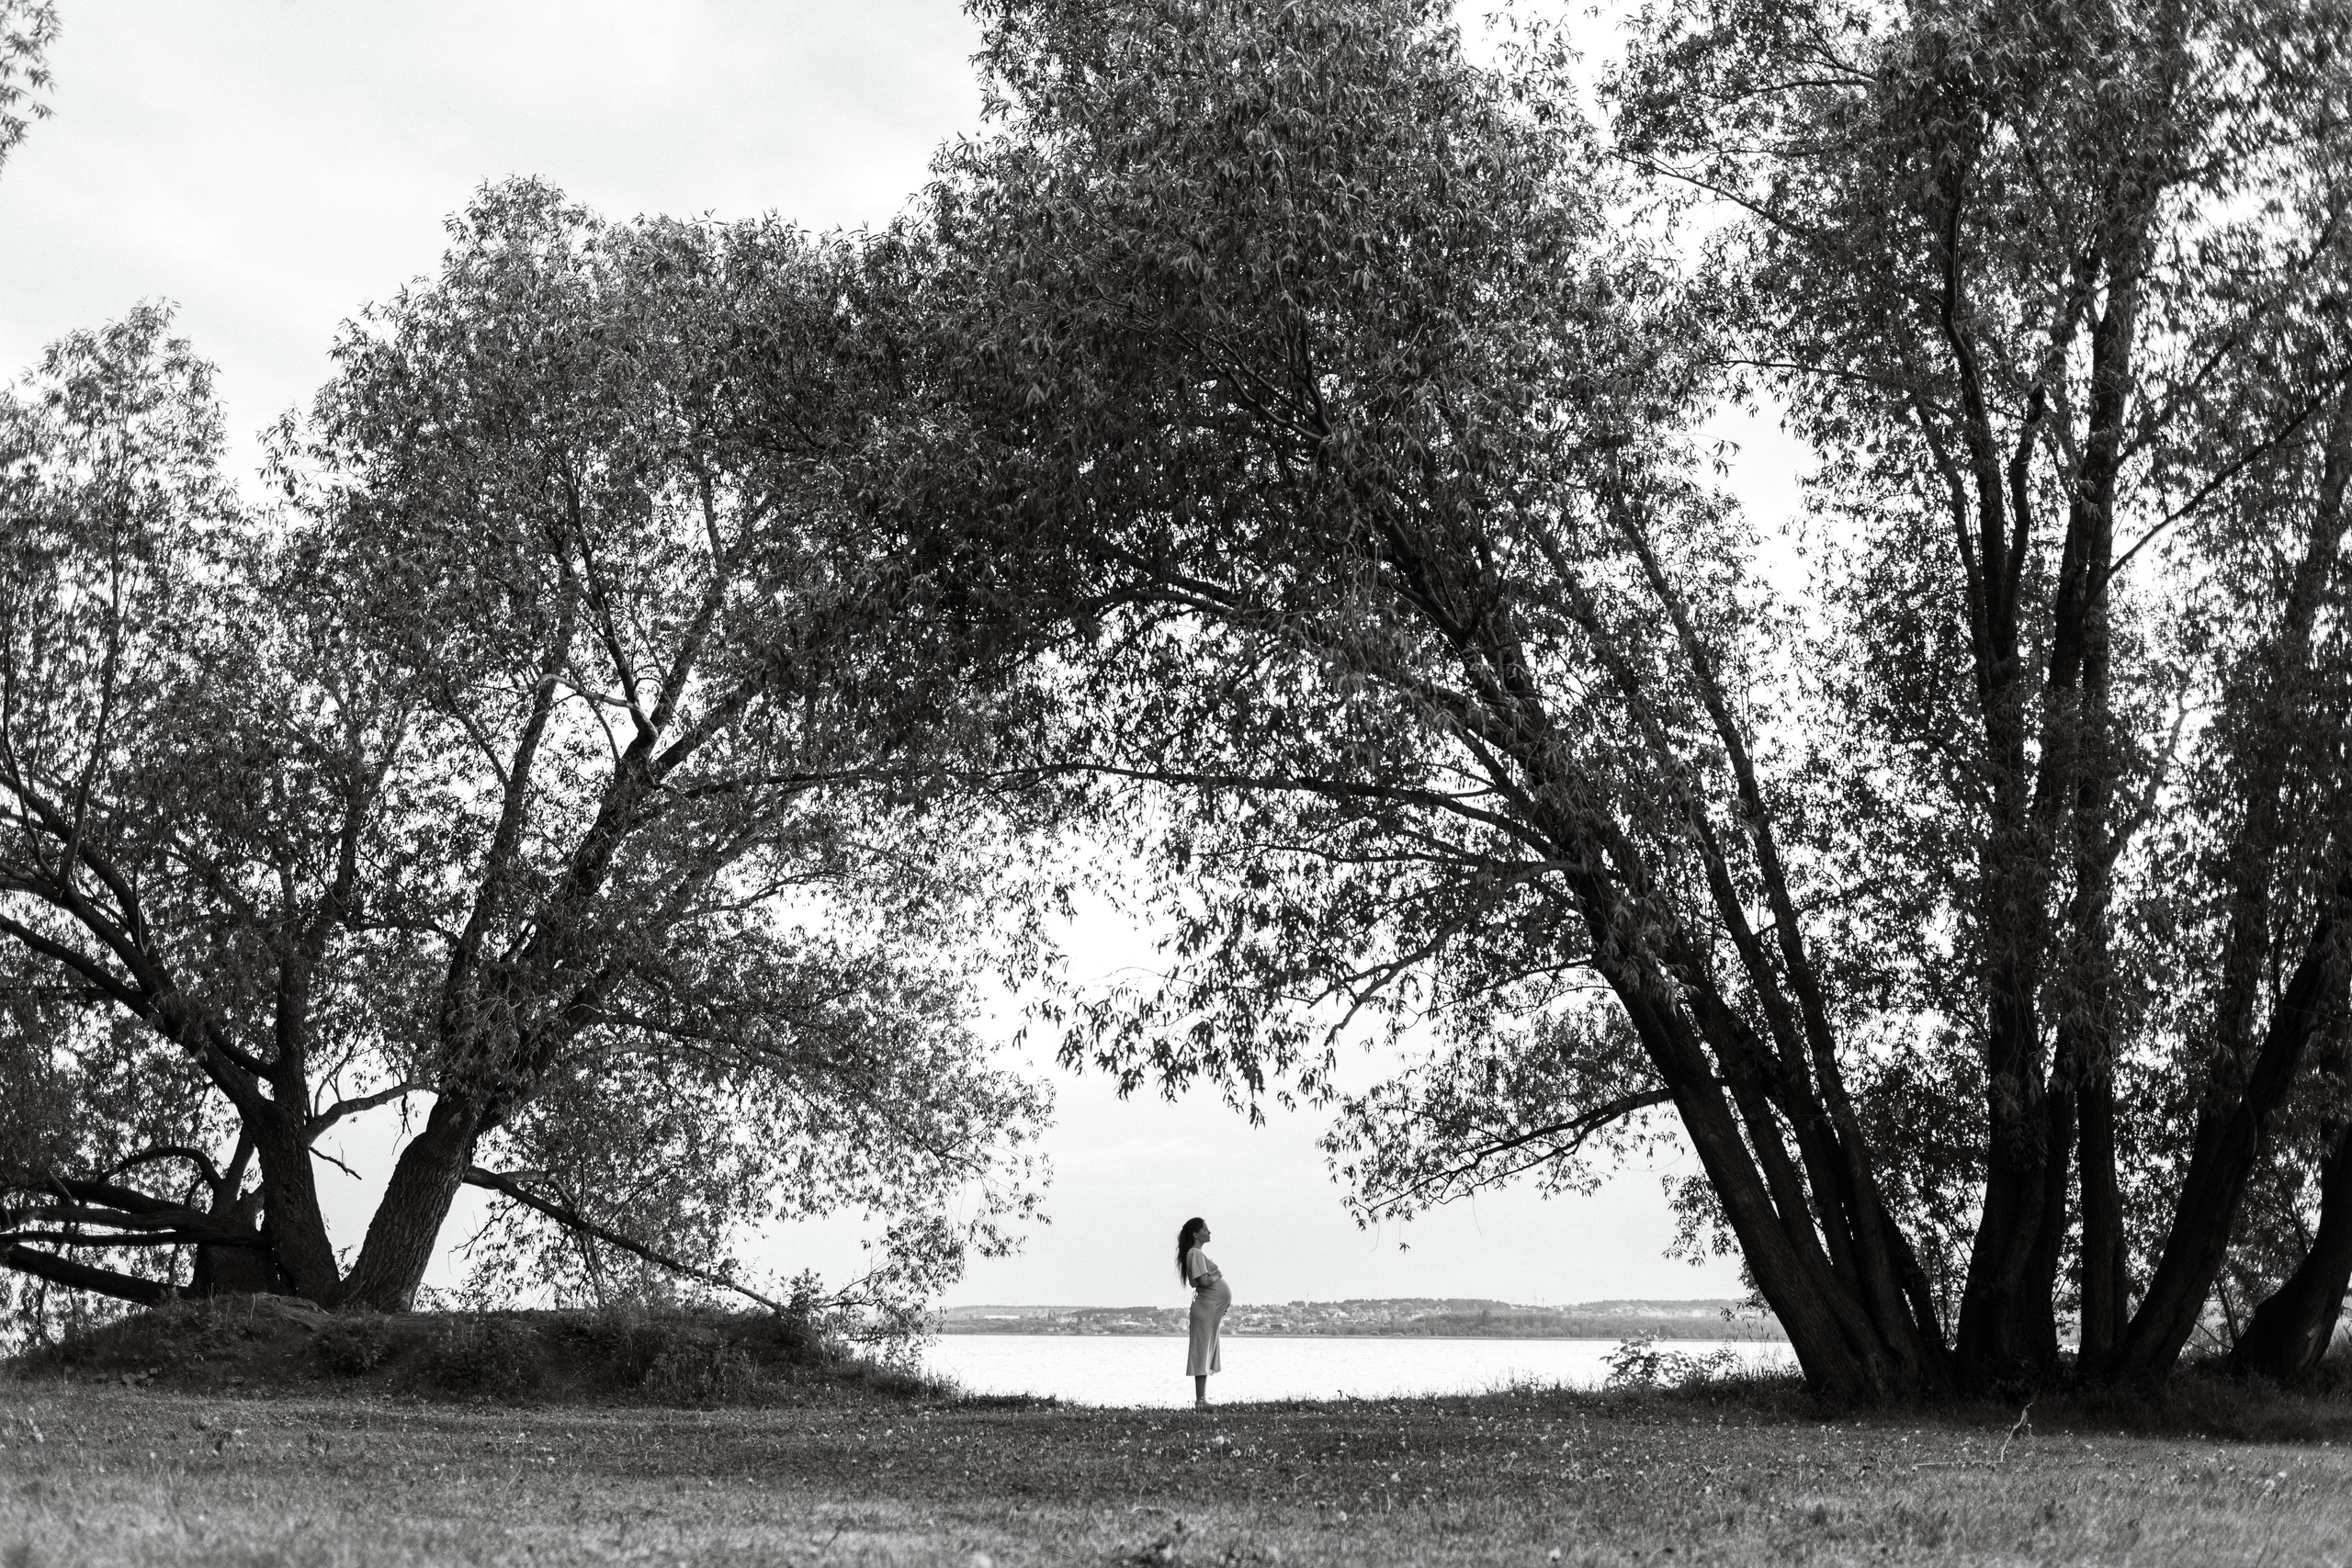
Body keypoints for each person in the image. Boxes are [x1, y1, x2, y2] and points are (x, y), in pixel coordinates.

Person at [1177, 1215, 1229, 1408]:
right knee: (1201, 1352)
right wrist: (1218, 1273)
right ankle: (1200, 1400)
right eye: (1205, 1229)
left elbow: (1198, 1282)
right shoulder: (1196, 1254)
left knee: (1204, 1352)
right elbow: (1205, 1281)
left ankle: (1202, 1399)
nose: (1209, 1232)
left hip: (1209, 1308)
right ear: (1196, 1234)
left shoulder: (1195, 1254)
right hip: (1205, 1309)